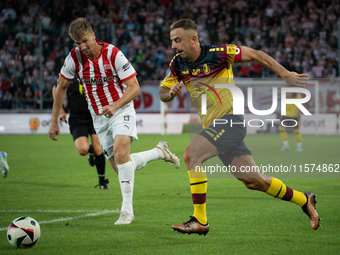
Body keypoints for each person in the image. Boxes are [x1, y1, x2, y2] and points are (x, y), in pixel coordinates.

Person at [159, 19, 319, 236]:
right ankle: (304, 199)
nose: (173, 46)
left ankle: (200, 220)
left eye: (177, 41)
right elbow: (163, 93)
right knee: (255, 181)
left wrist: (284, 73)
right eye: (172, 41)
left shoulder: (219, 53)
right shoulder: (177, 65)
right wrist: (171, 93)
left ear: (193, 39)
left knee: (191, 155)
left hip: (230, 122)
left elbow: (256, 54)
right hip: (215, 130)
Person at [49, 18, 180, 225]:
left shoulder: (113, 54)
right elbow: (61, 87)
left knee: (120, 154)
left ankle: (127, 211)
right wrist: (54, 119)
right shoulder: (73, 58)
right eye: (77, 43)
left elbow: (134, 87)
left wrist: (116, 105)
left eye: (84, 41)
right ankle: (159, 152)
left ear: (93, 35)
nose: (82, 46)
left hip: (121, 109)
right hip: (98, 117)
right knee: (122, 167)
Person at [52, 77, 109, 189]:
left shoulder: (92, 71)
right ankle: (89, 150)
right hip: (77, 118)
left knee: (98, 148)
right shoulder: (69, 72)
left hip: (95, 116)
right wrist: (61, 111)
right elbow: (56, 89)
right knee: (83, 150)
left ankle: (102, 182)